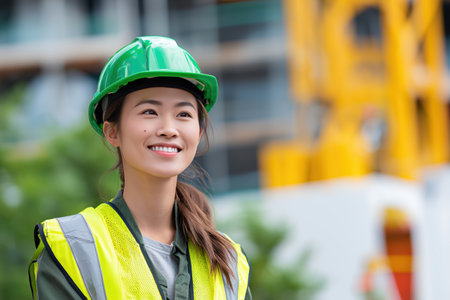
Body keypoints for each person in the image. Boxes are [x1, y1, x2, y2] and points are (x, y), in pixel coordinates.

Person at [28, 36, 251, 300]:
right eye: (149, 112)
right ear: (112, 131)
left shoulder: (229, 260)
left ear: (199, 131)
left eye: (183, 114)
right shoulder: (72, 247)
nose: (169, 129)